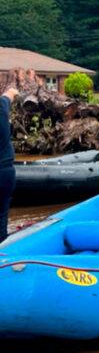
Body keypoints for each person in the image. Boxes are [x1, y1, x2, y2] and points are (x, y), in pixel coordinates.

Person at [0, 87, 19, 243]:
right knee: (1, 214)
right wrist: (13, 90)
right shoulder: (1, 105)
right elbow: (10, 95)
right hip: (4, 170)